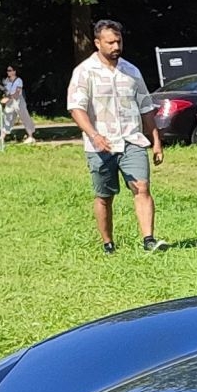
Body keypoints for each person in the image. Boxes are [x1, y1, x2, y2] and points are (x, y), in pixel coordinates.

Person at [66, 19, 165, 253]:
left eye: (118, 41)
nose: (116, 46)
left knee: (141, 188)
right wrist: (94, 135)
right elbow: (76, 108)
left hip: (132, 140)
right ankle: (108, 242)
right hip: (101, 145)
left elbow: (145, 107)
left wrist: (156, 141)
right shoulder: (84, 72)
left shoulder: (131, 71)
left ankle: (149, 239)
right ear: (97, 42)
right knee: (104, 196)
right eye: (110, 42)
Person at [0, 64, 38, 143]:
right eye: (7, 71)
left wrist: (8, 98)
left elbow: (18, 92)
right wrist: (5, 98)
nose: (8, 72)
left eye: (10, 70)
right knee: (7, 117)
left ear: (14, 71)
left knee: (25, 117)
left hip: (18, 101)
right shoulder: (7, 80)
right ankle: (2, 137)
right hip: (10, 101)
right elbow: (7, 91)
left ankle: (30, 136)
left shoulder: (19, 80)